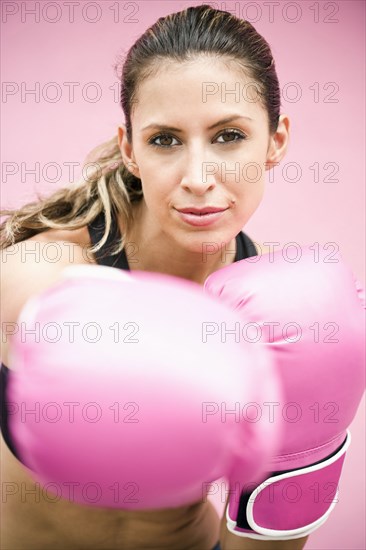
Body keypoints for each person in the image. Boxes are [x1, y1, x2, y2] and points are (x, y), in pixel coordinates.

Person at [1, 3, 326, 549]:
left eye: (228, 136)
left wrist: (311, 455)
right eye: (166, 140)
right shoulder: (44, 275)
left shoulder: (287, 314)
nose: (198, 178)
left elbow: (267, 540)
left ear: (276, 141)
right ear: (130, 149)